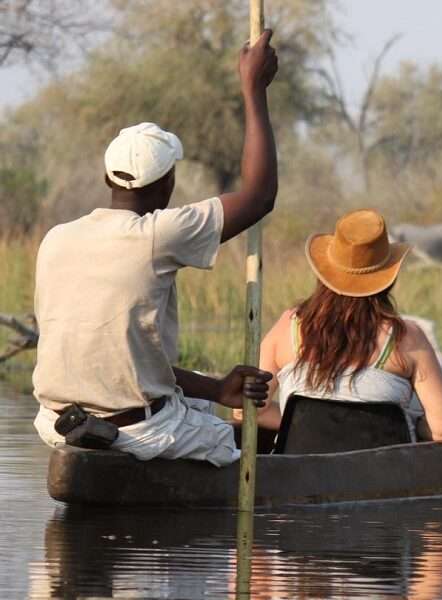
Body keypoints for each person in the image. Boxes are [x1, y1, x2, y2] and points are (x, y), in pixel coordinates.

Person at [30, 31, 281, 466]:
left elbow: (125, 363)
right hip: (138, 434)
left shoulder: (57, 238)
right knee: (254, 443)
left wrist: (219, 389)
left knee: (202, 395)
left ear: (109, 179)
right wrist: (252, 89)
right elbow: (260, 196)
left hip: (57, 425)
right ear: (168, 183)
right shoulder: (159, 233)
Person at [252, 209, 442, 443]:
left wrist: (299, 424)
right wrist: (406, 426)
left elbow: (247, 410)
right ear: (387, 278)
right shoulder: (406, 337)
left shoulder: (288, 326)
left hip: (302, 473)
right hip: (384, 475)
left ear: (325, 273)